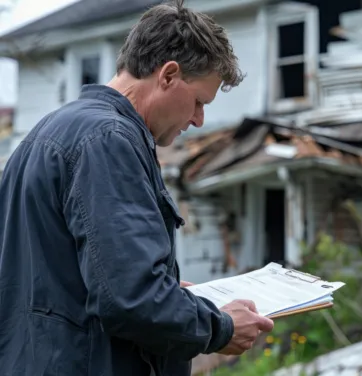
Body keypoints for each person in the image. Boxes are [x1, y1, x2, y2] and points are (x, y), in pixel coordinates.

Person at [0, 0, 274, 375]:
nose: (198, 120)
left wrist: (171, 292)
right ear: (168, 75)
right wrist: (220, 327)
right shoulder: (109, 141)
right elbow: (130, 299)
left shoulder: (48, 133)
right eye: (197, 102)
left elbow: (74, 280)